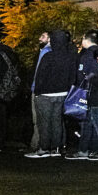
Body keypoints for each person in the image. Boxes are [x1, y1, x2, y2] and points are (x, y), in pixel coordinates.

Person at [25, 30, 77, 158]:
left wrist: (37, 91)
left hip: (45, 94)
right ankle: (56, 148)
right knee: (57, 121)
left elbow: (40, 76)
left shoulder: (48, 56)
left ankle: (44, 148)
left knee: (44, 122)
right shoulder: (70, 57)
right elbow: (72, 76)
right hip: (62, 94)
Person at [65, 30, 98, 159]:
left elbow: (84, 74)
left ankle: (83, 150)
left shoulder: (87, 55)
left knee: (86, 123)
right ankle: (94, 149)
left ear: (86, 39)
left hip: (86, 93)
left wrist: (80, 85)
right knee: (96, 123)